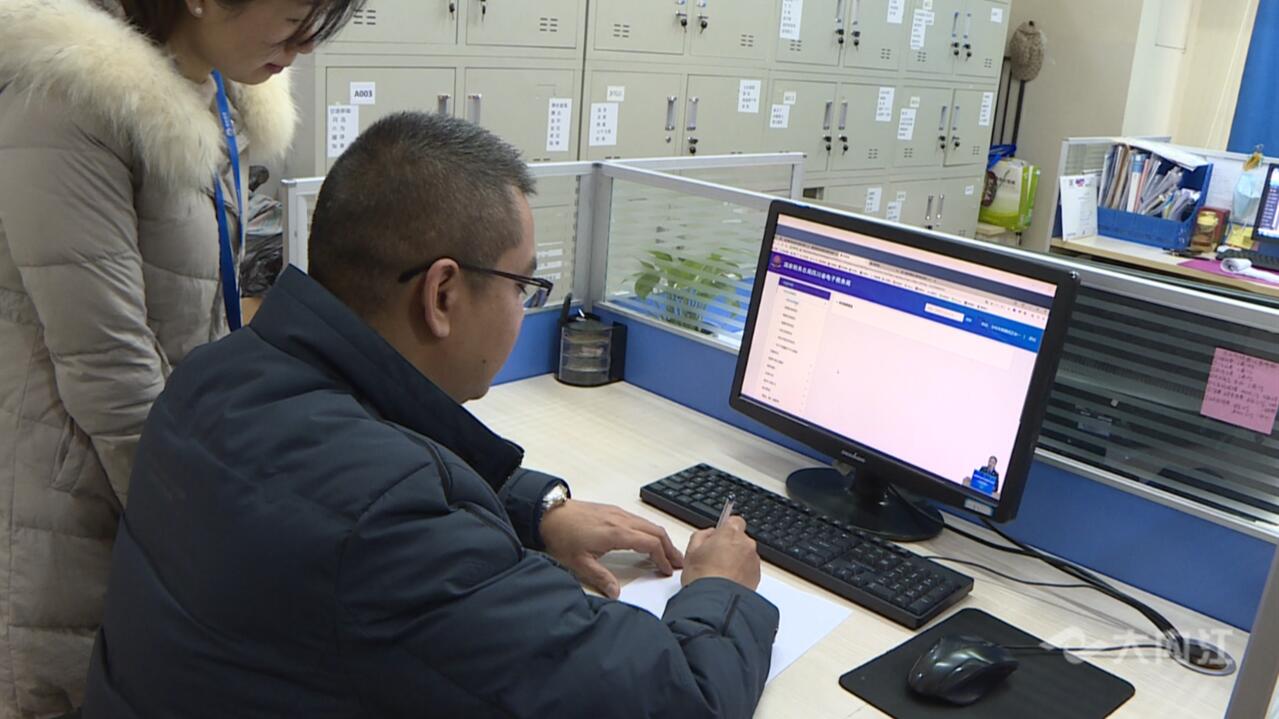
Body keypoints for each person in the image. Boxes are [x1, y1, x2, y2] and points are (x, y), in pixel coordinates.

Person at [83, 112, 779, 718]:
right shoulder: (388, 526)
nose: (525, 309)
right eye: (523, 286)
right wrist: (718, 587)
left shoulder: (217, 376)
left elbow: (359, 464)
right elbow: (680, 700)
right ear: (442, 294)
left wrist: (537, 510)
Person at [0, 0, 359, 714]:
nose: (305, 46)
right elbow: (108, 363)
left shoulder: (212, 88)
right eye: (295, 16)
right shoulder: (67, 99)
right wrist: (199, 529)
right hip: (72, 490)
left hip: (162, 466)